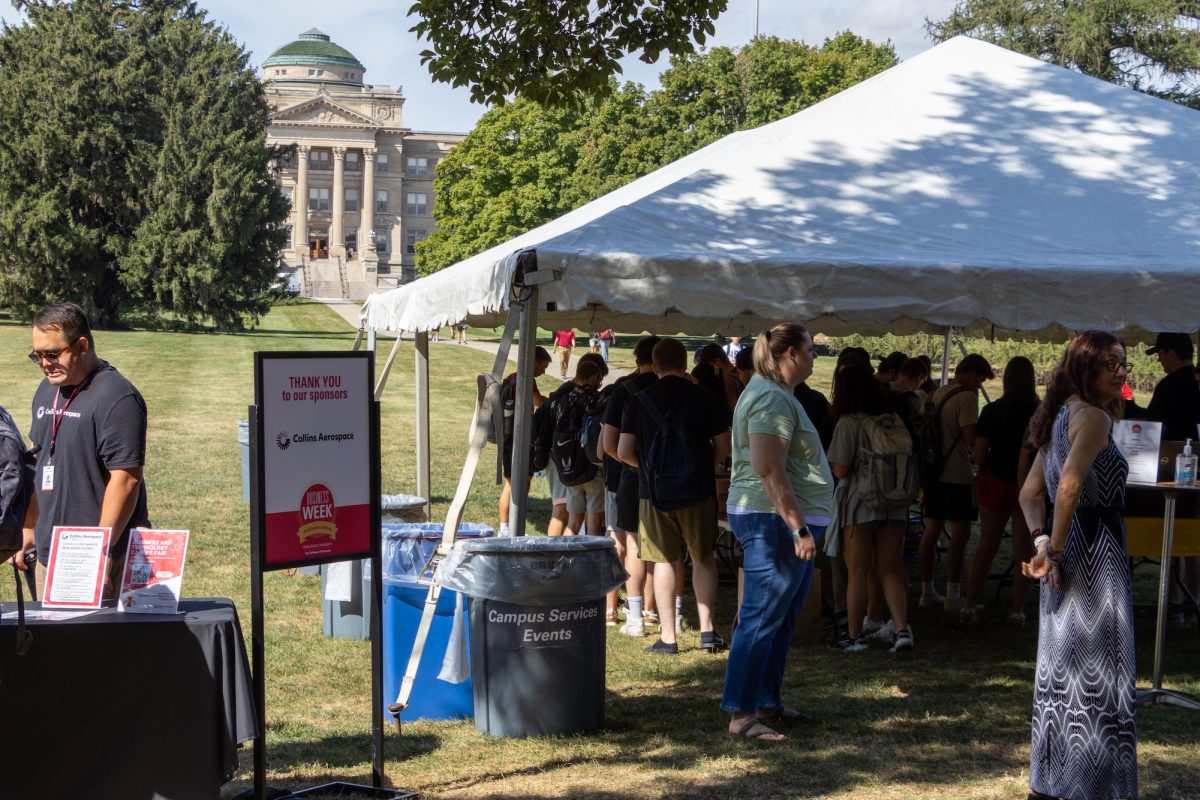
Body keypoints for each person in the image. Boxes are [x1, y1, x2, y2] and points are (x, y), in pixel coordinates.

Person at [1018, 330, 1136, 800]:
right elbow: (1066, 488)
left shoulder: (1058, 416)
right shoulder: (1093, 418)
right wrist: (1057, 550)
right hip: (1095, 556)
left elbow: (1030, 494)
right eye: (1111, 364)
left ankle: (1053, 783)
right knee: (1101, 671)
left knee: (1062, 673)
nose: (1121, 372)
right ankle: (1095, 785)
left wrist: (1044, 542)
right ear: (1086, 369)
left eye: (1122, 363)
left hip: (1067, 554)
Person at [720, 323, 833, 742]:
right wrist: (798, 526)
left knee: (780, 617)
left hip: (780, 520)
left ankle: (766, 700)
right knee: (762, 616)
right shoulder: (770, 397)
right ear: (790, 355)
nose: (813, 358)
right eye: (810, 350)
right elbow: (768, 467)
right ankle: (742, 714)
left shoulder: (777, 394)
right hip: (773, 520)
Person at [22, 302, 150, 598]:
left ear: (81, 345)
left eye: (52, 354)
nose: (44, 363)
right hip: (48, 551)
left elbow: (127, 478)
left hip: (95, 555)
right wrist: (29, 529)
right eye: (37, 355)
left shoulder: (117, 398)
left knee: (97, 644)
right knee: (52, 643)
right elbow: (37, 458)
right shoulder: (47, 388)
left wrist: (100, 550)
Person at [618, 338, 729, 655]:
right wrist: (704, 466)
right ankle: (708, 631)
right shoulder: (704, 396)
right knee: (703, 557)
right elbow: (724, 447)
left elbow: (624, 451)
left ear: (654, 366)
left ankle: (669, 637)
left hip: (653, 494)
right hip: (698, 490)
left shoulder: (638, 400)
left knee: (665, 560)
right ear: (685, 365)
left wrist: (651, 469)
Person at [826, 363, 913, 653]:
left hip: (860, 503)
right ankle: (901, 629)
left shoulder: (848, 422)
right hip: (896, 503)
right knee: (890, 567)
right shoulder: (893, 419)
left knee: (858, 571)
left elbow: (839, 469)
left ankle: (854, 635)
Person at [961, 356, 1040, 625]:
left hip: (996, 481)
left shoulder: (992, 411)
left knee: (986, 545)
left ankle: (969, 605)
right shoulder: (1041, 412)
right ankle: (1017, 610)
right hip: (1029, 484)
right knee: (1023, 549)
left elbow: (980, 455)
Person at [918, 353, 994, 614]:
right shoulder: (967, 398)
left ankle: (927, 590)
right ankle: (953, 594)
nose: (980, 385)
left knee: (931, 530)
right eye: (981, 379)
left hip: (933, 471)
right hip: (957, 473)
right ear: (971, 373)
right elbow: (970, 436)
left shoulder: (936, 393)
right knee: (960, 533)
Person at [602, 336, 660, 635]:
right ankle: (653, 611)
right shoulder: (679, 390)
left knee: (632, 545)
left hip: (626, 477)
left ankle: (629, 613)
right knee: (660, 550)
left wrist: (637, 466)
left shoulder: (623, 390)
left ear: (637, 359)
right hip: (672, 483)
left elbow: (608, 447)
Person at [496, 346, 552, 537]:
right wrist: (552, 402)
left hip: (507, 436)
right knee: (516, 484)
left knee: (511, 483)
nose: (543, 372)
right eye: (542, 367)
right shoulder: (526, 379)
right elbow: (537, 401)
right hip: (519, 439)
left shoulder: (513, 377)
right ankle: (508, 528)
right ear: (534, 361)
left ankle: (506, 527)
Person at [564, 356, 609, 538]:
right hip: (590, 466)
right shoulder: (594, 399)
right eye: (599, 379)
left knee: (573, 522)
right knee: (594, 520)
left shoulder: (567, 395)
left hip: (571, 465)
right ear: (594, 376)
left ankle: (562, 559)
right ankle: (589, 560)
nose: (599, 383)